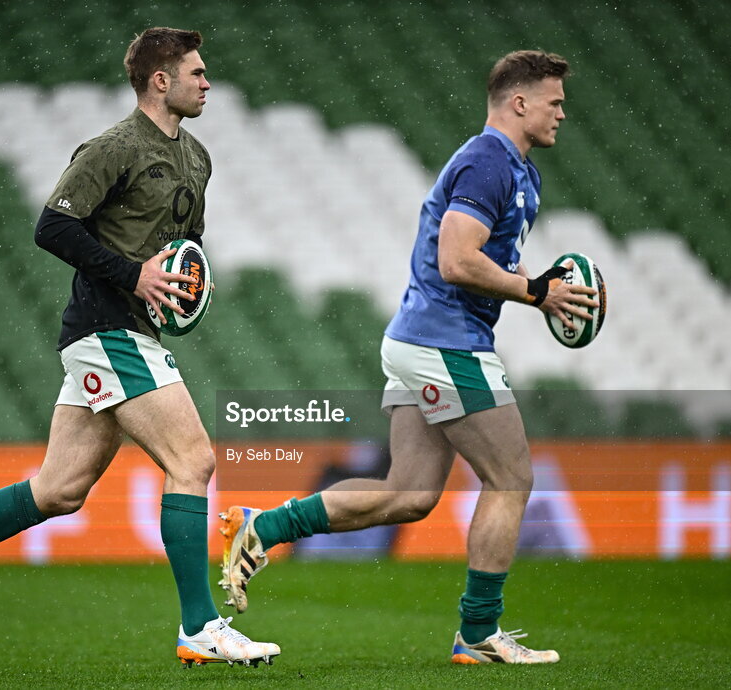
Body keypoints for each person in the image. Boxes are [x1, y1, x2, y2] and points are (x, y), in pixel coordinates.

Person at [0, 27, 279, 668]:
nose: (207, 82)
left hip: (129, 331)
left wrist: (174, 287)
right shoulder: (114, 147)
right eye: (196, 72)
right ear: (160, 80)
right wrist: (134, 277)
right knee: (194, 460)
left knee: (59, 490)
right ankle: (200, 627)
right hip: (104, 328)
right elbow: (52, 226)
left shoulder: (198, 157)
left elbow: (184, 248)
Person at [219, 50, 597, 665]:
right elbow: (456, 259)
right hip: (447, 342)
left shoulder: (519, 172)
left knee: (409, 494)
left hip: (421, 340)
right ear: (519, 102)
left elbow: (489, 256)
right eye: (554, 101)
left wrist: (541, 294)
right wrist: (536, 292)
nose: (562, 112)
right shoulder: (487, 161)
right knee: (511, 479)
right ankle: (478, 634)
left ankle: (265, 527)